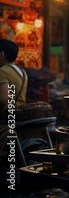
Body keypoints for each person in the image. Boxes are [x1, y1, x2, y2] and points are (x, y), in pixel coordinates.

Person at [1, 40, 28, 170]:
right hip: (19, 117)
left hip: (5, 120)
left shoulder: (3, 72)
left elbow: (4, 100)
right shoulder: (22, 72)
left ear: (2, 54)